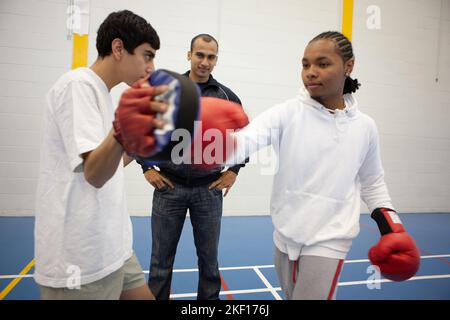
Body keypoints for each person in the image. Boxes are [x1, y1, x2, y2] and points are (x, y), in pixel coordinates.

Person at [216, 31, 420, 299]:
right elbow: (241, 144)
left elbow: (372, 183)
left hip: (330, 240)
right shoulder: (287, 113)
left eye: (322, 64)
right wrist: (192, 144)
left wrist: (393, 227)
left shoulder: (365, 127)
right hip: (284, 237)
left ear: (349, 66)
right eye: (305, 64)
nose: (311, 72)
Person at [34, 10, 169, 300]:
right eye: (147, 55)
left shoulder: (103, 94)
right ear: (118, 48)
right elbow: (94, 175)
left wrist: (142, 141)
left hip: (113, 247)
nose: (151, 66)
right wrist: (125, 127)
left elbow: (110, 165)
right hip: (79, 261)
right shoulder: (77, 86)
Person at [138, 34, 247, 300]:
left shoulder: (227, 97)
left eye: (211, 57)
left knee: (209, 264)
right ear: (189, 55)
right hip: (169, 188)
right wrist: (146, 168)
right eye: (200, 55)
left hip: (207, 190)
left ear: (216, 61)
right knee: (160, 263)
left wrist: (233, 170)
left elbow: (245, 138)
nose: (204, 62)